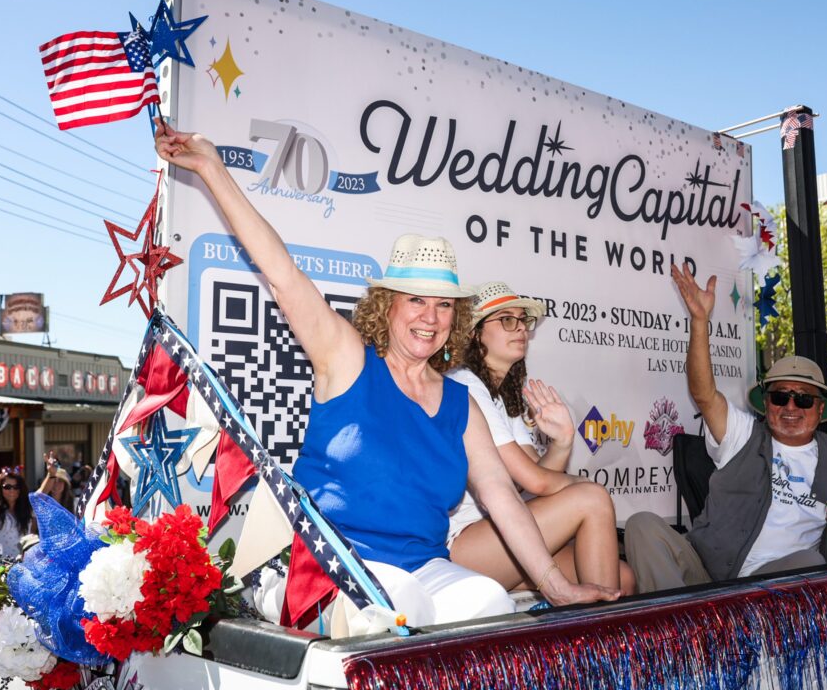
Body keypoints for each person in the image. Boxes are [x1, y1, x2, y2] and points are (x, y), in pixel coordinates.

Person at [155, 119, 617, 626]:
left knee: (492, 604)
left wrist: (556, 586)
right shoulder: (348, 359)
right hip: (323, 564)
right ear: (387, 307)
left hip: (421, 567)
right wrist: (212, 169)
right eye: (415, 300)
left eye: (444, 306)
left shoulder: (461, 404)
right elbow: (284, 276)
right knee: (396, 604)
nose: (430, 316)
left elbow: (503, 498)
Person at [623, 264, 827, 591]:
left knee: (811, 563)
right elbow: (704, 394)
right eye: (781, 397)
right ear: (766, 403)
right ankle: (680, 629)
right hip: (707, 575)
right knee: (642, 526)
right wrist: (699, 322)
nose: (791, 408)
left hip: (769, 586)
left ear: (821, 409)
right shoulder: (743, 434)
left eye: (804, 400)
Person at [447, 282, 635, 595]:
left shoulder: (502, 397)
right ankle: (603, 640)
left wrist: (561, 442)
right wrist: (588, 487)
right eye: (507, 319)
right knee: (593, 499)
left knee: (623, 577)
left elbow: (535, 478)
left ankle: (587, 640)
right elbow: (536, 482)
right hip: (463, 544)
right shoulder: (465, 383)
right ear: (475, 333)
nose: (520, 328)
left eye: (523, 321)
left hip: (502, 533)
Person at [0, 471, 36, 560]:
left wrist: (51, 475)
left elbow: (42, 492)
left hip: (20, 563)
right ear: (0, 489)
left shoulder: (28, 508)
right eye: (7, 487)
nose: (12, 490)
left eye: (16, 487)